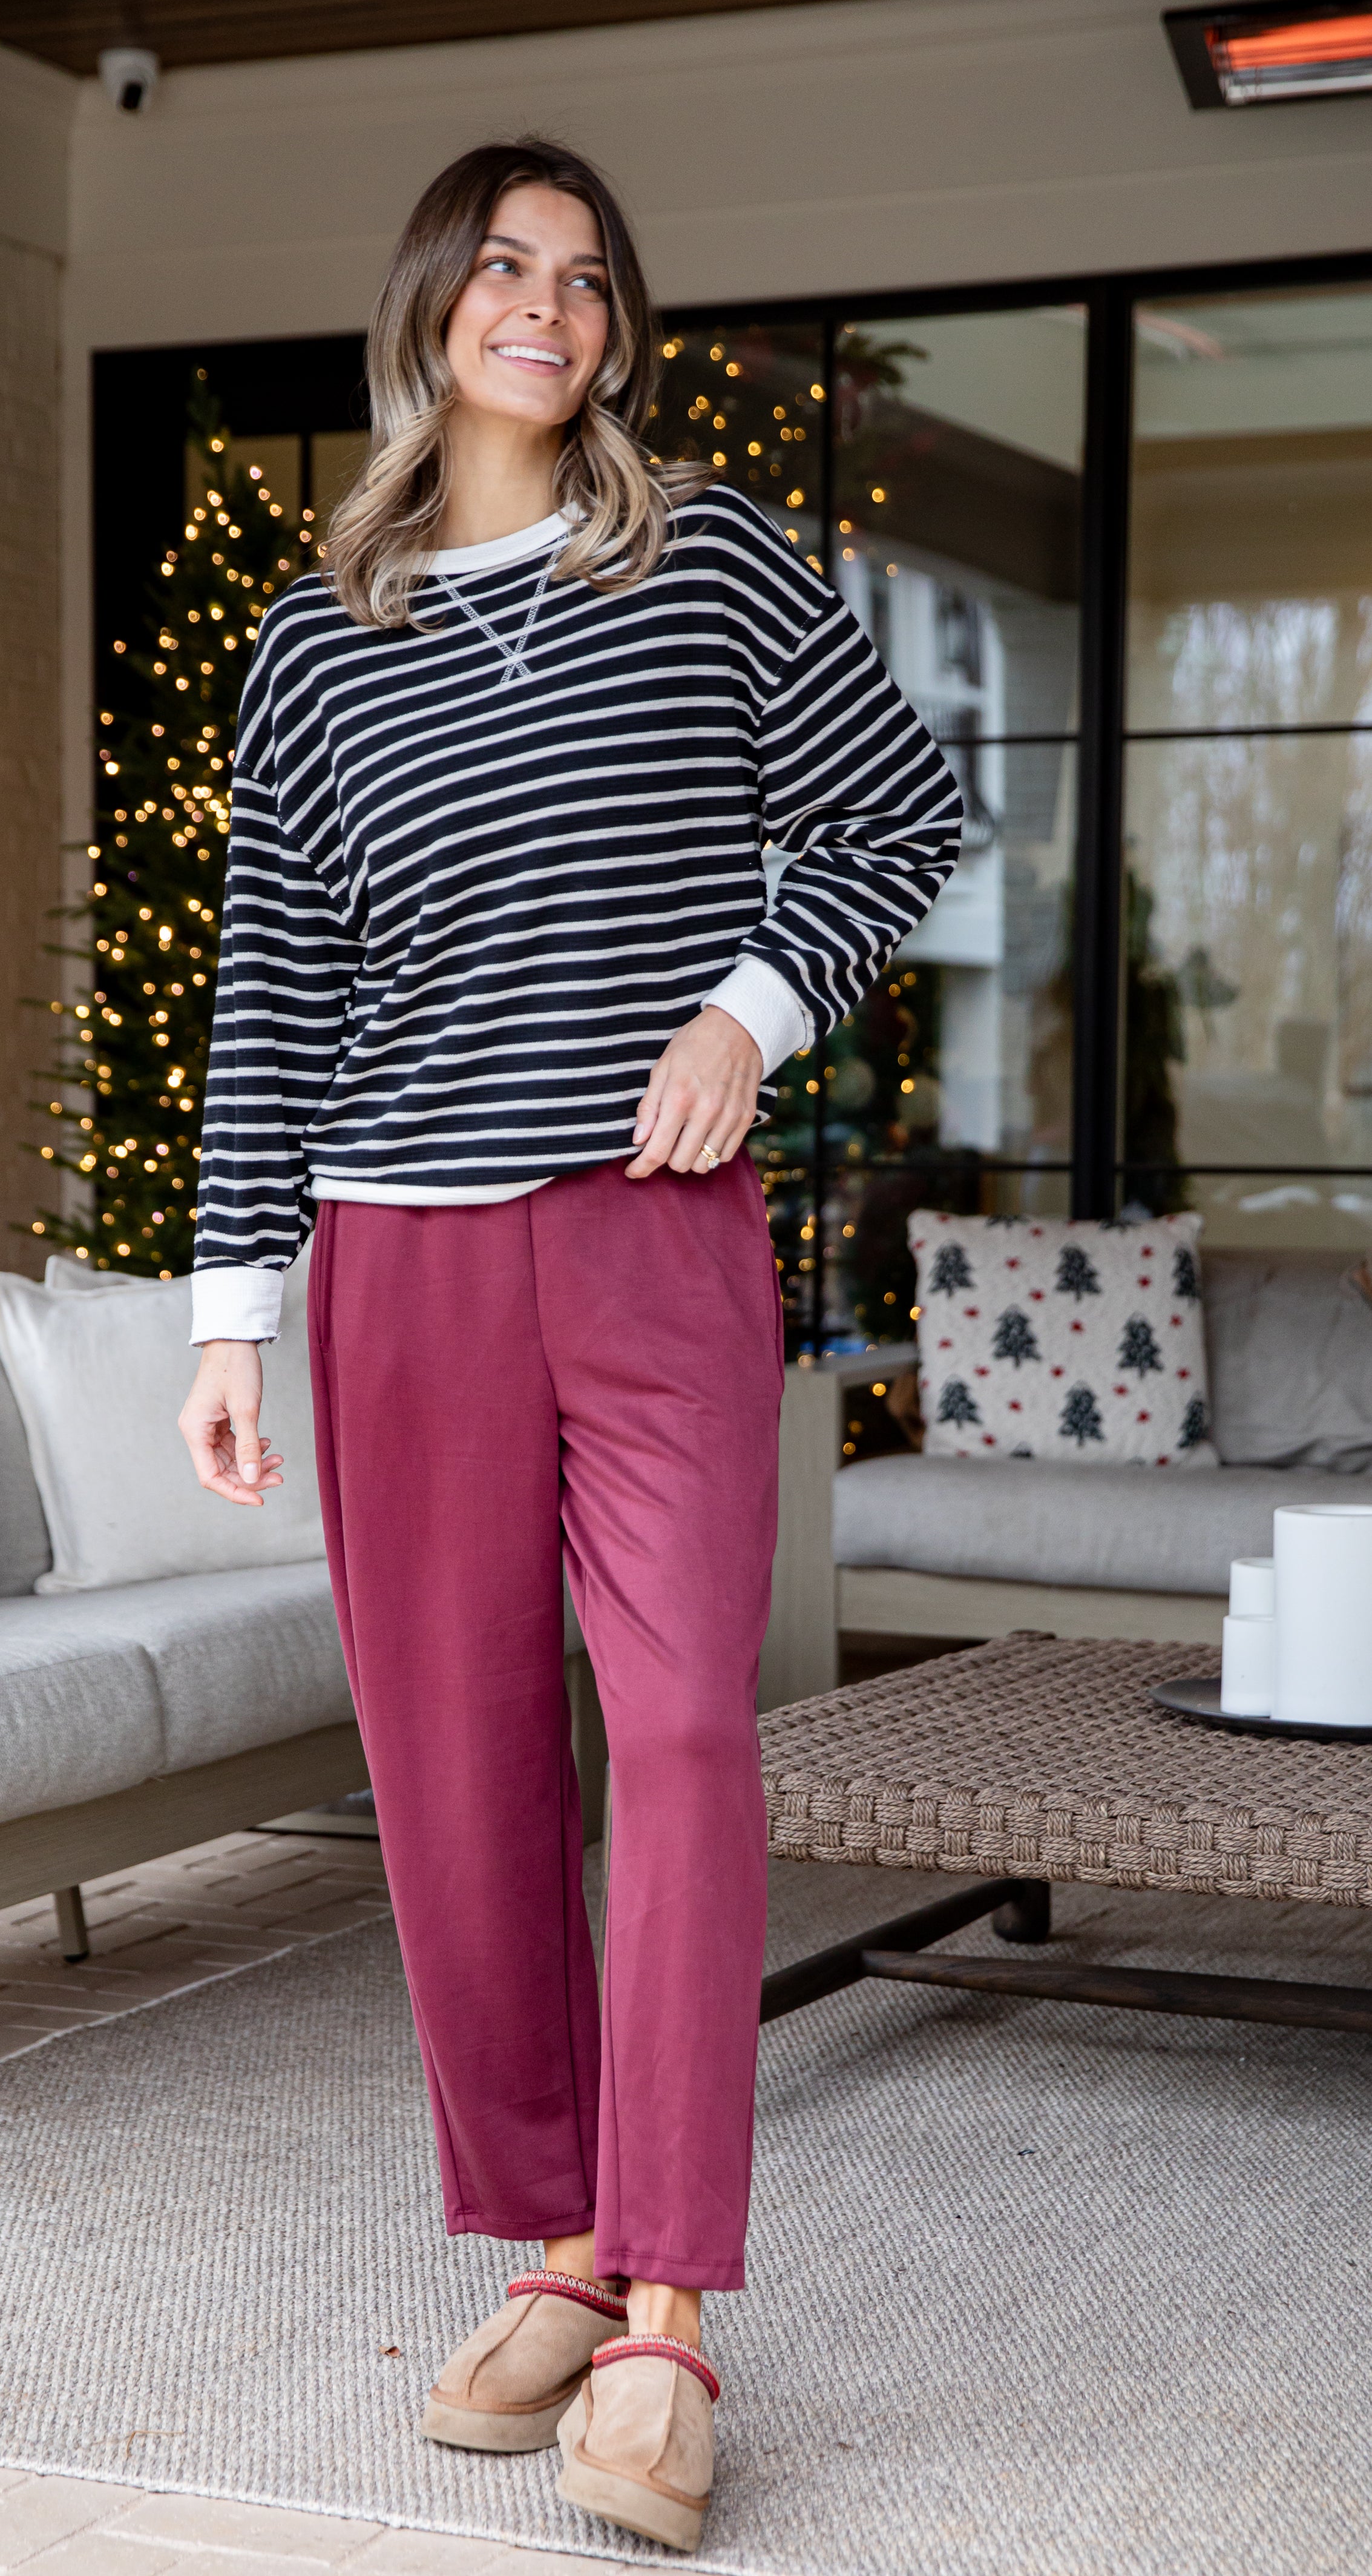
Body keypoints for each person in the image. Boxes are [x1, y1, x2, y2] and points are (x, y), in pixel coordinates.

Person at [179, 137, 960, 2552]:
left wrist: (749, 1003)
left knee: (688, 1728)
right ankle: (552, 2244)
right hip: (400, 1257)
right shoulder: (318, 644)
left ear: (615, 329)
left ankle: (668, 2320)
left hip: (649, 1241)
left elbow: (892, 815)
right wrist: (232, 1313)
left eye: (586, 278)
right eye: (506, 267)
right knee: (452, 1764)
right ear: (429, 303)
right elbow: (276, 996)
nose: (548, 306)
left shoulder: (704, 552)